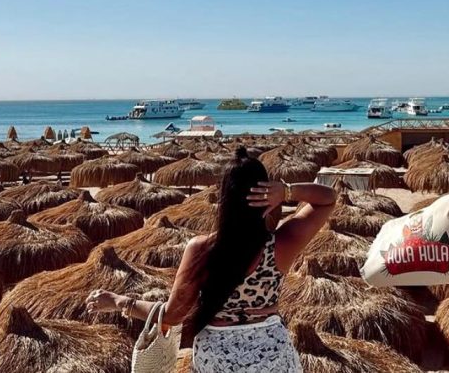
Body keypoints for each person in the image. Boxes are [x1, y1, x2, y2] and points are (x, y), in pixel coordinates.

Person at [86, 146, 336, 372]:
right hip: (274, 358)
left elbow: (173, 315)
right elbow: (327, 199)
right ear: (266, 196)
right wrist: (287, 191)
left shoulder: (202, 249)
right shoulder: (280, 244)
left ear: (223, 197)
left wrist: (120, 301)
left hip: (218, 358)